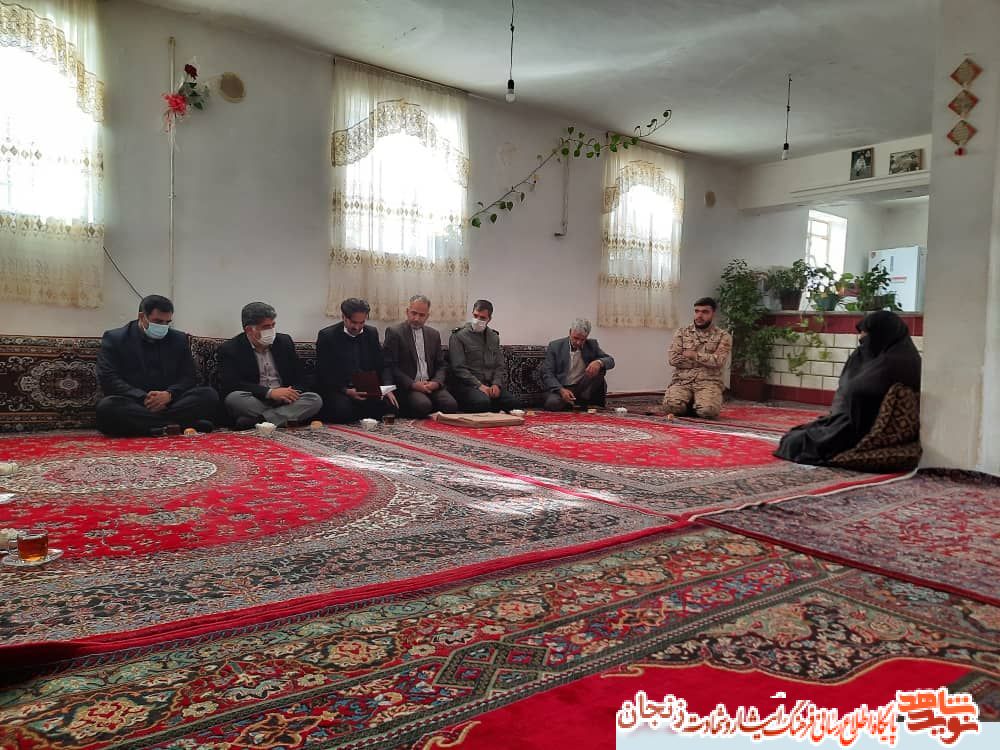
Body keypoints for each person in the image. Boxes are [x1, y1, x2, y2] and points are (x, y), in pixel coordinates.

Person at [774, 311, 921, 465]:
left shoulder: (896, 363)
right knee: (798, 434)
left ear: (881, 333)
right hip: (850, 421)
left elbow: (858, 393)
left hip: (863, 430)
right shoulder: (880, 355)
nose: (861, 337)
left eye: (866, 333)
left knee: (796, 442)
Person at [96, 295, 218, 436]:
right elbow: (108, 378)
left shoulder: (178, 339)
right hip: (135, 402)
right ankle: (178, 425)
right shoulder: (116, 339)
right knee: (107, 407)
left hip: (171, 402)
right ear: (142, 316)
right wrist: (144, 398)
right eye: (158, 321)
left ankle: (156, 427)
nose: (163, 327)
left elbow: (189, 377)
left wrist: (169, 394)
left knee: (209, 395)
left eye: (167, 322)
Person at [218, 302, 322, 429]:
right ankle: (284, 419)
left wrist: (289, 393)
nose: (271, 330)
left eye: (273, 325)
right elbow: (232, 384)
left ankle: (259, 420)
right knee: (234, 399)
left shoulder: (284, 342)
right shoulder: (230, 349)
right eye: (266, 327)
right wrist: (270, 393)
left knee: (314, 399)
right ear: (249, 330)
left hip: (285, 400)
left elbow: (301, 376)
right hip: (256, 399)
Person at [315, 298, 398, 423]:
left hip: (366, 388)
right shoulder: (327, 336)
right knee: (343, 411)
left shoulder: (371, 333)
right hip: (340, 388)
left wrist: (386, 388)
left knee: (391, 407)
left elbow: (382, 364)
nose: (357, 327)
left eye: (361, 322)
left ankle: (363, 412)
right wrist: (347, 391)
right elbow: (323, 372)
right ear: (344, 317)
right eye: (353, 322)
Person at [383, 294, 458, 418]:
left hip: (430, 384)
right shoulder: (395, 332)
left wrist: (436, 382)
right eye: (414, 313)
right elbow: (391, 366)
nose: (416, 318)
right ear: (407, 312)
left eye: (422, 315)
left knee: (451, 405)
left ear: (427, 316)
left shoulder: (433, 334)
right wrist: (413, 384)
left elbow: (441, 365)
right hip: (409, 386)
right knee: (423, 406)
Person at [662, 297, 732, 418]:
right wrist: (707, 360)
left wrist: (694, 355)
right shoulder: (682, 332)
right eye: (697, 311)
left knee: (708, 411)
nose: (699, 315)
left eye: (705, 312)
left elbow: (719, 361)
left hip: (709, 381)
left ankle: (700, 402)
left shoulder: (723, 336)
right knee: (670, 407)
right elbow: (673, 359)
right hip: (682, 380)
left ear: (713, 313)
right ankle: (690, 402)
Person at [448, 299, 519, 413]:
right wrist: (479, 385)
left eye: (482, 318)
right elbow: (459, 368)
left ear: (489, 319)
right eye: (475, 316)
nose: (477, 320)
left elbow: (499, 366)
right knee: (482, 403)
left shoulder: (493, 337)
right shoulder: (458, 336)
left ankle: (493, 409)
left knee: (513, 403)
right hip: (468, 385)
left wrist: (496, 384)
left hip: (489, 384)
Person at [541, 318, 615, 411]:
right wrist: (561, 390)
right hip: (562, 387)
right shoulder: (555, 346)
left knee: (600, 368)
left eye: (582, 339)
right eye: (576, 338)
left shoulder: (592, 345)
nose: (578, 342)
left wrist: (598, 362)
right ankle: (577, 403)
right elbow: (547, 374)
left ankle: (580, 401)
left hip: (582, 386)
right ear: (570, 332)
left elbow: (610, 361)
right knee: (553, 403)